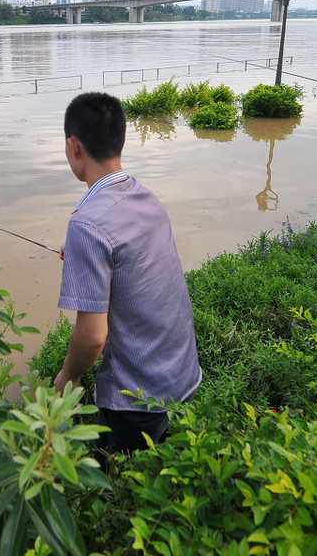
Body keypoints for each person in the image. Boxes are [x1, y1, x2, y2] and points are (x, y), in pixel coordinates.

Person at [54, 92, 201, 453]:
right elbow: (133, 264)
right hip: (183, 375)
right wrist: (84, 256)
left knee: (113, 478)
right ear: (121, 140)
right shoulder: (146, 196)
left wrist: (68, 376)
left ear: (74, 148)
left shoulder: (87, 225)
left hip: (138, 399)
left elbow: (92, 338)